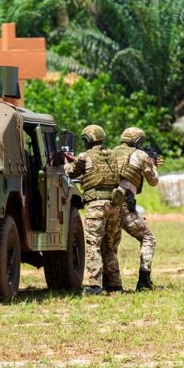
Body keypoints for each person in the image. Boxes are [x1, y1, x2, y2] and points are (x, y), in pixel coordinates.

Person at [64, 124, 123, 295]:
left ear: (87, 140)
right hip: (114, 204)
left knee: (93, 244)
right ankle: (115, 285)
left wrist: (66, 162)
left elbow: (70, 173)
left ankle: (95, 285)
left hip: (96, 204)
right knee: (109, 246)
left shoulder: (85, 156)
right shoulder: (112, 154)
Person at [112, 127, 163, 291]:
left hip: (109, 203)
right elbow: (153, 181)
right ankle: (144, 281)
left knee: (110, 243)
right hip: (125, 204)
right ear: (138, 142)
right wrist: (152, 164)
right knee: (148, 238)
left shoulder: (112, 152)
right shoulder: (141, 155)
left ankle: (112, 285)